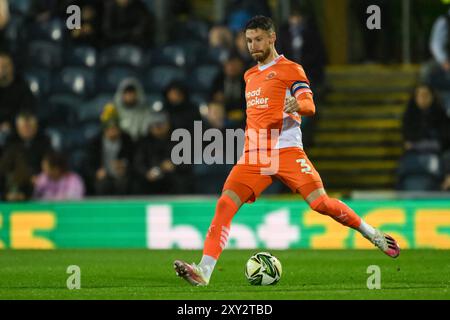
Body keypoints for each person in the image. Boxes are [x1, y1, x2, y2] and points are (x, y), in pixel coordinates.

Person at [174, 16, 400, 287]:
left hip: (287, 151)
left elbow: (309, 104)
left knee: (320, 203)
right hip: (256, 155)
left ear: (272, 38)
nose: (253, 45)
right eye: (248, 40)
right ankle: (204, 271)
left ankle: (371, 233)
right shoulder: (248, 76)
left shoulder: (291, 69)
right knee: (224, 205)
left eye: (258, 39)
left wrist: (298, 105)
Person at [0, 112, 52, 201]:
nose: (27, 130)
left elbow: (50, 164)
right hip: (14, 183)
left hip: (39, 182)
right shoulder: (10, 144)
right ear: (18, 127)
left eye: (30, 127)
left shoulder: (44, 142)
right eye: (24, 127)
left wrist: (39, 177)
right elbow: (4, 168)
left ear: (36, 127)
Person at [86, 104, 134, 196]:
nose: (113, 131)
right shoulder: (95, 142)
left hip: (121, 175)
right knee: (102, 185)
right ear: (104, 130)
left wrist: (124, 165)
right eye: (110, 129)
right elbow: (88, 164)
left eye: (115, 129)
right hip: (103, 176)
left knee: (126, 183)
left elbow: (133, 158)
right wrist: (96, 172)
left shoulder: (127, 140)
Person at [402, 84, 450, 154]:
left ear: (432, 97)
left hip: (439, 154)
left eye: (426, 95)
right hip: (414, 155)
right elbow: (407, 140)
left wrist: (416, 145)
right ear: (415, 98)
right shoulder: (409, 115)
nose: (423, 98)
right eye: (420, 95)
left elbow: (444, 140)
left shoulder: (441, 114)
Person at [0, 52, 36, 143]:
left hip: (14, 130)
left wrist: (10, 124)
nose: (2, 69)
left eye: (5, 66)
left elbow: (27, 111)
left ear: (12, 67)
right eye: (0, 66)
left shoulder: (22, 87)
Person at [104, 78, 153, 142]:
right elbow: (109, 132)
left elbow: (145, 132)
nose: (129, 96)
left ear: (138, 94)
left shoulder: (146, 111)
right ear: (121, 94)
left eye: (132, 93)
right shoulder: (112, 111)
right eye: (126, 93)